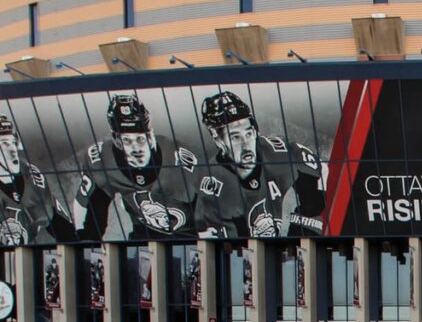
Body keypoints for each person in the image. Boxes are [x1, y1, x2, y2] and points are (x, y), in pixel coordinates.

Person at [194, 91, 325, 237]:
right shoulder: (213, 189)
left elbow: (325, 174)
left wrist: (302, 230)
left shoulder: (280, 153)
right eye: (236, 137)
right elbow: (220, 250)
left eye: (249, 134)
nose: (246, 146)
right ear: (218, 140)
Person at [74, 95, 199, 240]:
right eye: (127, 140)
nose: (135, 149)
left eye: (140, 139)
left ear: (150, 136)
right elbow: (90, 218)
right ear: (117, 141)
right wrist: (86, 247)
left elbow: (209, 207)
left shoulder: (178, 156)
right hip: (143, 236)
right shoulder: (103, 160)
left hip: (187, 237)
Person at [0, 115, 75, 245]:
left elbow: (64, 229)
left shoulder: (32, 175)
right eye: (4, 144)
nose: (12, 150)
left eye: (13, 142)